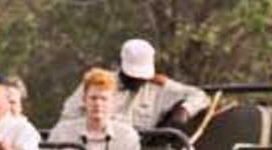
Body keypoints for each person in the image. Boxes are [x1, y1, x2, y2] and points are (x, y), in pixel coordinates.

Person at [57, 38, 208, 130]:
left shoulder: (158, 87)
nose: (137, 80)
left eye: (141, 77)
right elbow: (68, 117)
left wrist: (184, 110)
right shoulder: (99, 82)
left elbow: (200, 96)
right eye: (132, 76)